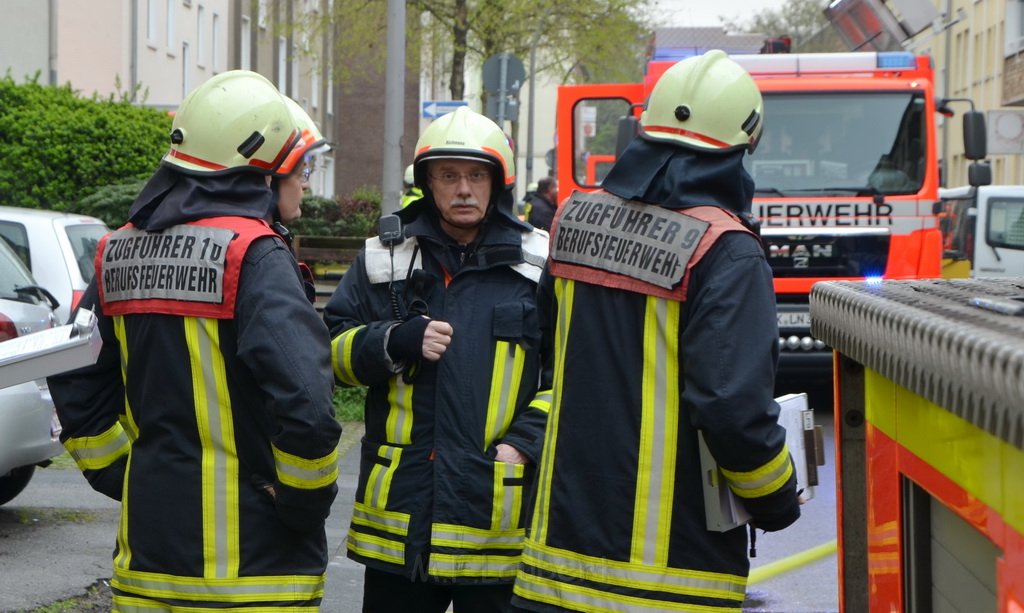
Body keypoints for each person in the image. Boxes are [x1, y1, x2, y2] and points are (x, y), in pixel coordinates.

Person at [512, 50, 801, 612]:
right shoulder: (727, 250)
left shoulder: (573, 221)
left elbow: (547, 358)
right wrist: (777, 498)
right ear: (745, 143)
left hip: (553, 565)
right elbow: (732, 408)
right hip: (668, 579)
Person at [46, 70, 342, 611]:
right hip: (254, 573)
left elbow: (73, 379)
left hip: (147, 565)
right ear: (262, 172)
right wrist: (302, 504)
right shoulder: (255, 255)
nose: (305, 181)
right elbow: (309, 406)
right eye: (300, 167)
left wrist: (128, 478)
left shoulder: (119, 251)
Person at [323, 106, 550, 612]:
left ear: (498, 183)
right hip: (401, 526)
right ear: (427, 182)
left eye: (476, 175)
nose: (463, 189)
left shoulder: (539, 264)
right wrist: (391, 341)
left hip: (494, 519)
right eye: (448, 176)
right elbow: (328, 355)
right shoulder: (384, 258)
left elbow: (571, 374)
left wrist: (524, 444)